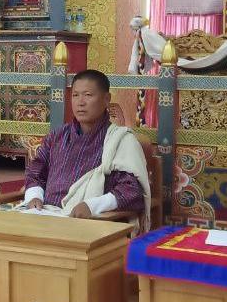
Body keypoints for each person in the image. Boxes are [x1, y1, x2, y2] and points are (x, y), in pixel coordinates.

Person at [22, 70, 150, 222]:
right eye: (75, 95)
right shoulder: (57, 136)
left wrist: (92, 206)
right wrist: (34, 196)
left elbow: (132, 191)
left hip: (91, 222)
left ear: (106, 99)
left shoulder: (121, 140)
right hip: (45, 214)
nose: (80, 102)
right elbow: (35, 172)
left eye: (88, 95)